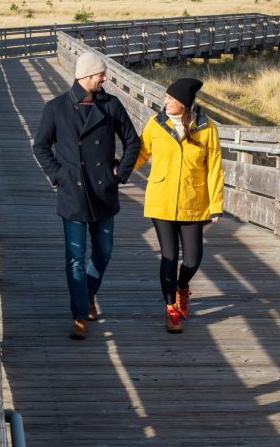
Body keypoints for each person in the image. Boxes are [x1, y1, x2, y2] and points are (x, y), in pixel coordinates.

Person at [33, 51, 140, 340]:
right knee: (75, 258)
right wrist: (58, 175)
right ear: (85, 76)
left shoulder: (111, 105)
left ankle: (88, 292)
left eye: (104, 74)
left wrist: (120, 174)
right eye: (100, 75)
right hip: (73, 194)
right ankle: (80, 315)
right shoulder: (56, 108)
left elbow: (133, 141)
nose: (105, 78)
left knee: (103, 252)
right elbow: (40, 146)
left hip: (103, 192)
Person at [133, 77, 224, 333]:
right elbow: (141, 152)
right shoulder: (156, 123)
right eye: (166, 97)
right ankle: (170, 309)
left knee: (193, 259)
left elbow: (215, 168)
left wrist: (216, 204)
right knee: (169, 256)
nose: (165, 102)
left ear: (184, 104)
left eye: (171, 99)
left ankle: (182, 287)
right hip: (161, 199)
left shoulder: (207, 128)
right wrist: (118, 171)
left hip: (193, 201)